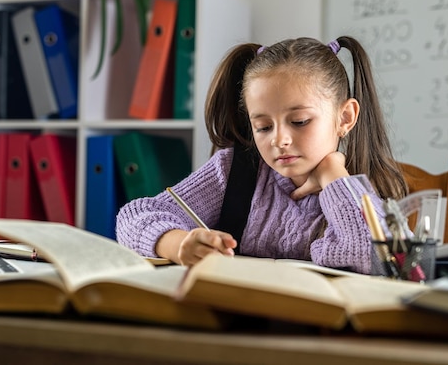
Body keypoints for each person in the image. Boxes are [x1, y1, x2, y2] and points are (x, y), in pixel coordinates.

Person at [116, 36, 408, 274]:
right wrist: (179, 243)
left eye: (299, 122)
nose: (279, 139)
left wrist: (334, 177)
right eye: (264, 126)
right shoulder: (234, 172)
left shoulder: (365, 190)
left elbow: (375, 258)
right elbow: (133, 217)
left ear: (345, 118)